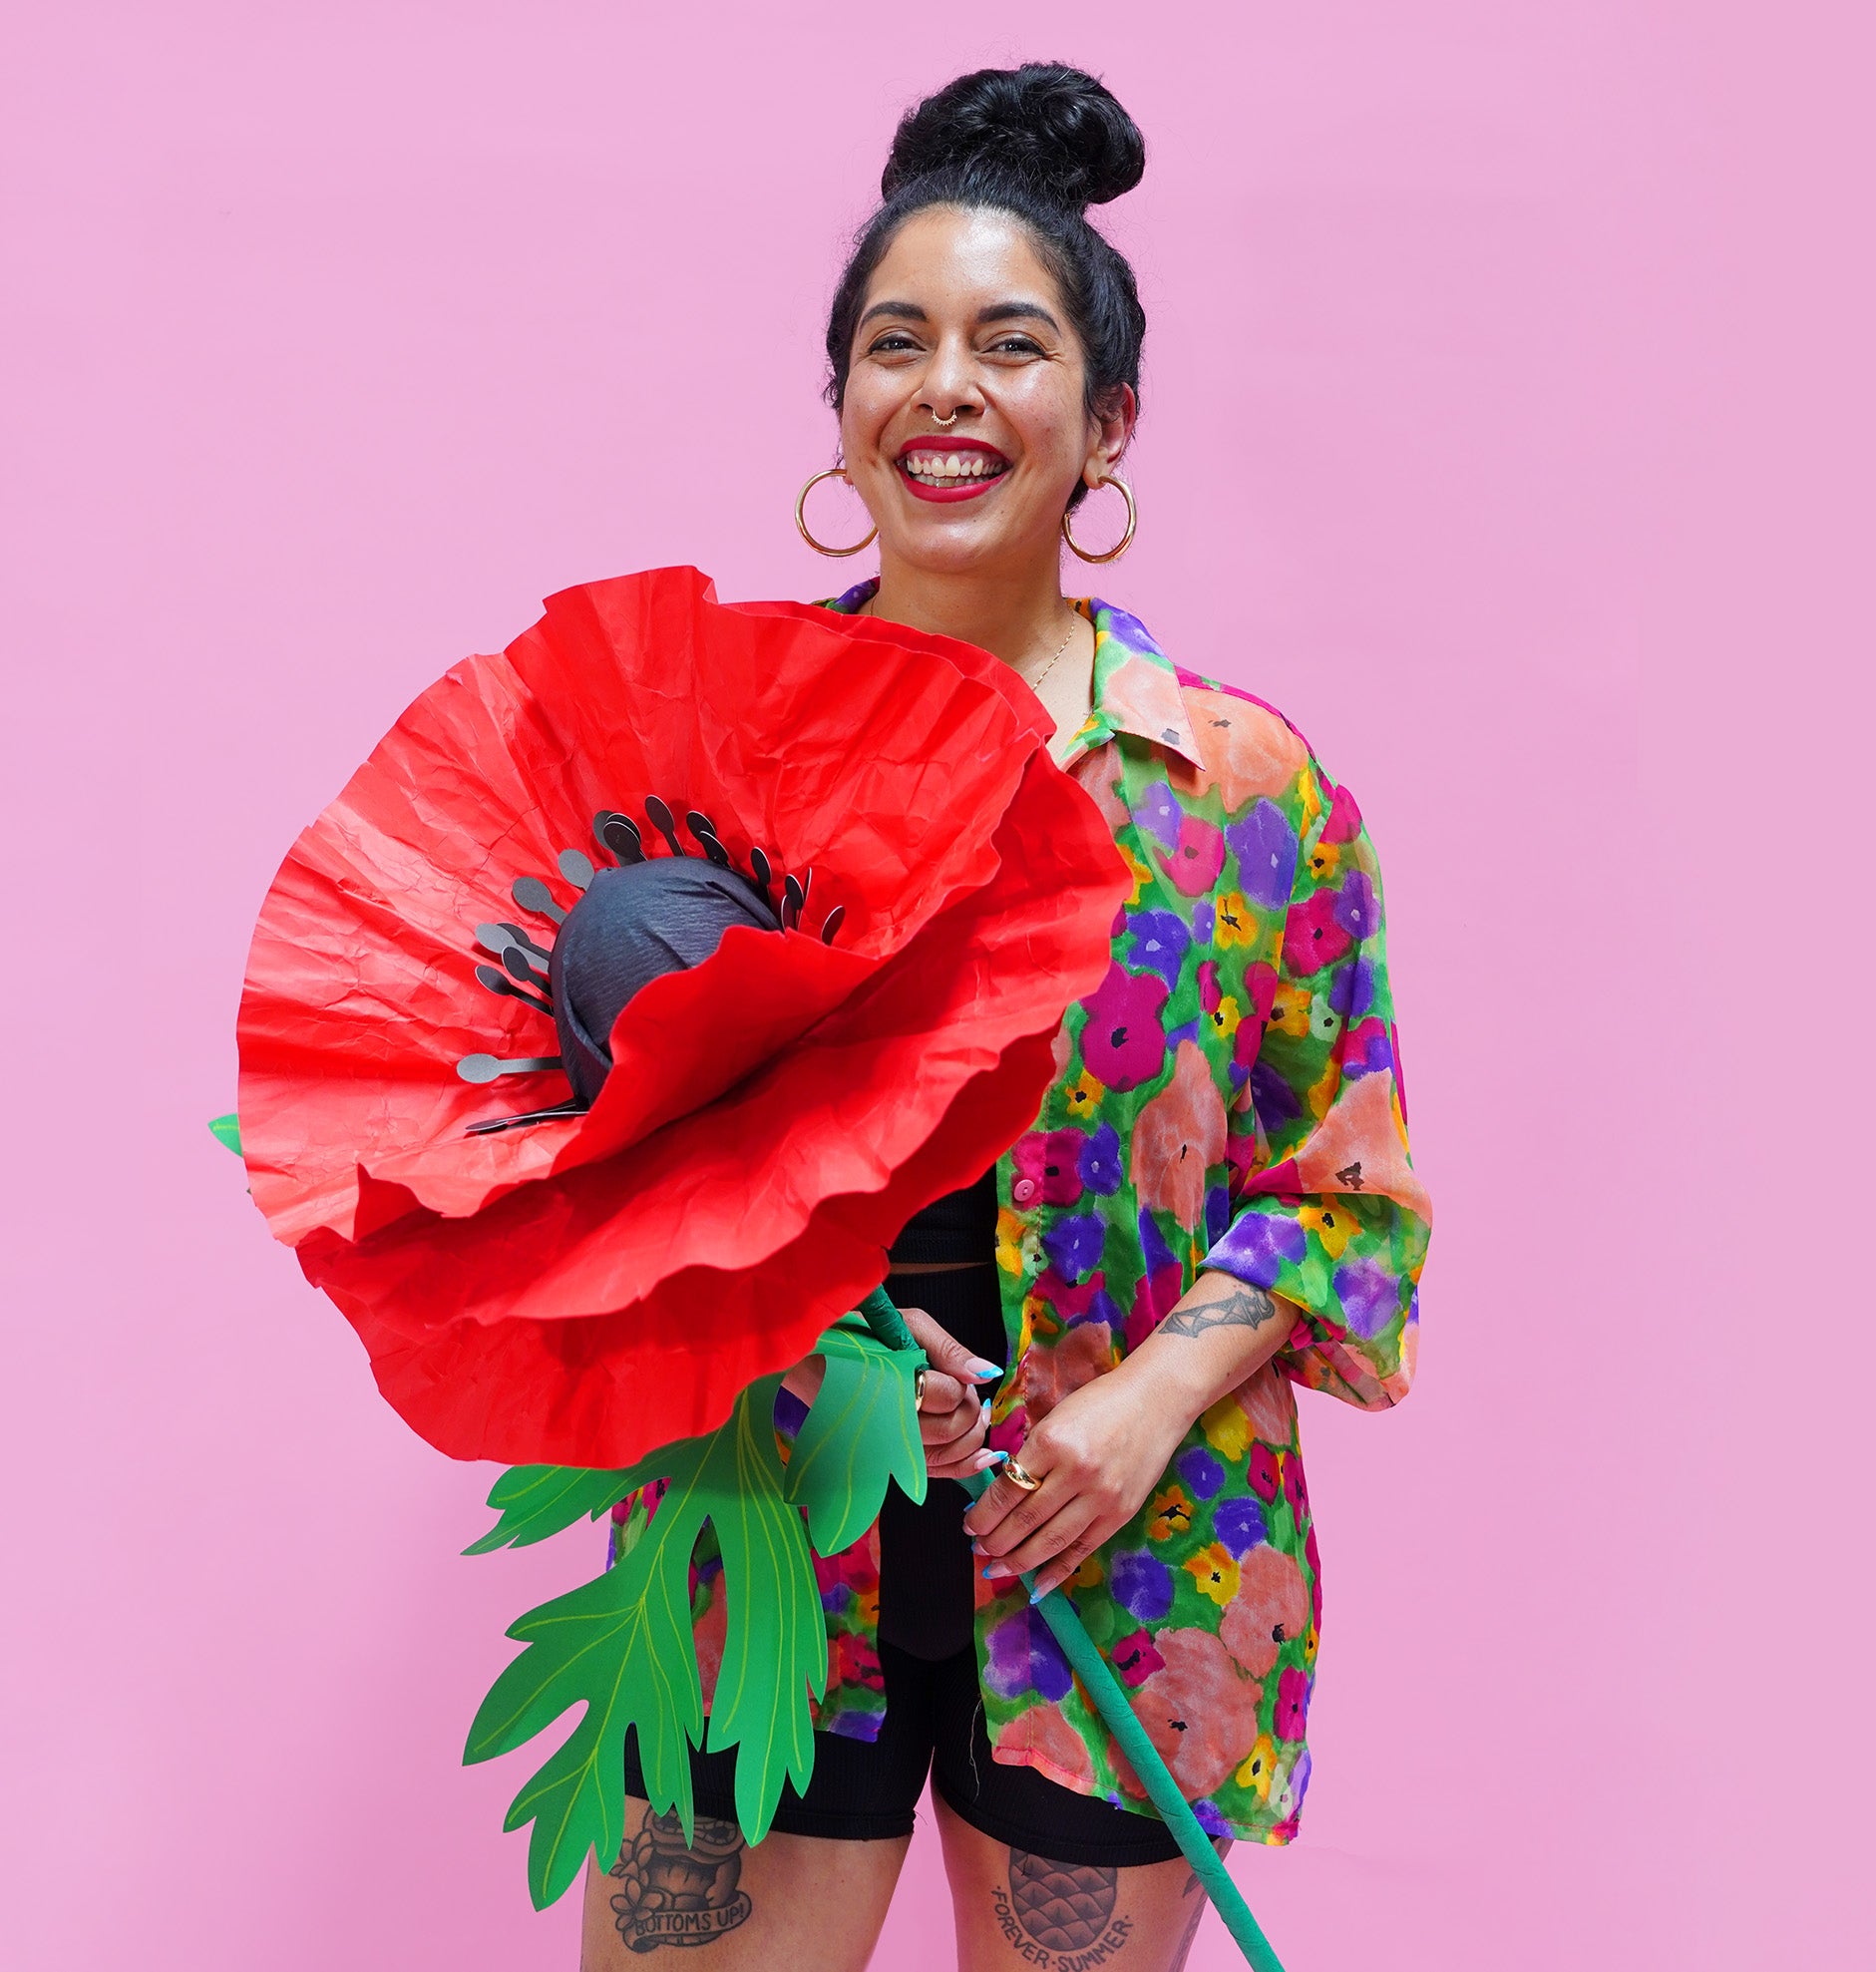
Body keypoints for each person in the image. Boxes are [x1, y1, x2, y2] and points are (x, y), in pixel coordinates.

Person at [586, 62, 1431, 1972]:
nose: (944, 386)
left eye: (1009, 343)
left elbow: (1348, 1188)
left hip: (1112, 1557)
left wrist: (1142, 1405)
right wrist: (822, 1339)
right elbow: (599, 1150)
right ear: (841, 410)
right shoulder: (713, 756)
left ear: (1105, 419)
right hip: (766, 1525)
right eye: (895, 343)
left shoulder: (1242, 791)